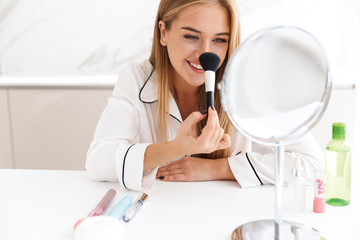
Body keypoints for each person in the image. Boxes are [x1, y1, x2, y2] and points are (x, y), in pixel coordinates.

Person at [86, 0, 324, 192]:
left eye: (219, 40)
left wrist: (217, 169)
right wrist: (174, 149)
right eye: (191, 36)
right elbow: (98, 163)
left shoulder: (248, 84)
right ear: (163, 33)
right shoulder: (136, 79)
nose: (205, 54)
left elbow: (313, 165)